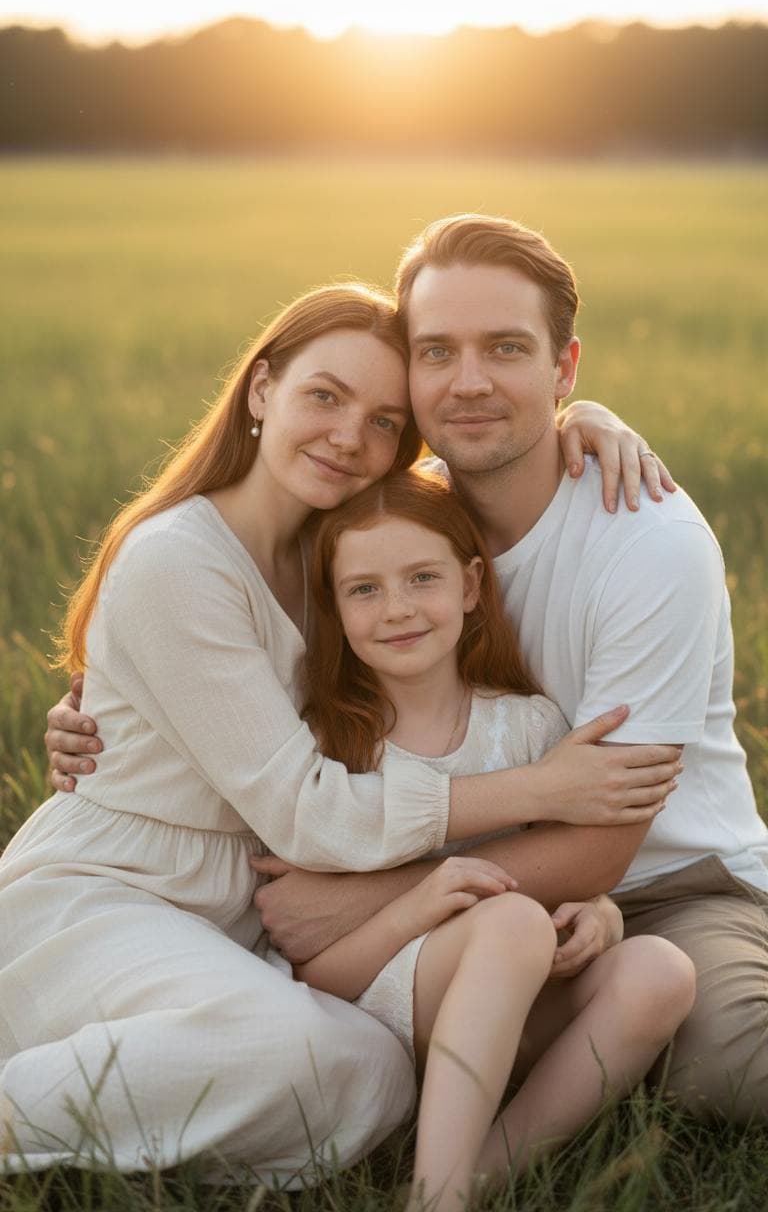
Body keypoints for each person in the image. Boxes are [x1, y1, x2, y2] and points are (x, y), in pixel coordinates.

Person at [1, 282, 681, 1180]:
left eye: (384, 422)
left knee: (367, 1071)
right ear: (260, 391)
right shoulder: (178, 558)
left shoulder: (344, 553)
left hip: (252, 916)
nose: (348, 438)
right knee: (308, 1058)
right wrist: (537, 788)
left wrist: (585, 417)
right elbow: (303, 812)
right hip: (123, 890)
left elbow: (471, 485)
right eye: (324, 396)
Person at [244, 214, 768, 1126]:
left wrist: (372, 901)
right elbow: (233, 626)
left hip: (661, 886)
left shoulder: (647, 542)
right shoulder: (394, 521)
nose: (470, 381)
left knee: (726, 1074)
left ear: (564, 371)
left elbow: (607, 839)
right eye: (436, 350)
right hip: (471, 890)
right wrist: (108, 708)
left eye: (507, 349)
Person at [295, 469, 695, 1212]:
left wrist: (600, 910)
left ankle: (480, 1177)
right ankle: (436, 1199)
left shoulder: (528, 727)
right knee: (510, 919)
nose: (399, 610)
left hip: (512, 990)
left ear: (473, 585)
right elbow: (311, 978)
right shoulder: (325, 746)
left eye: (423, 577)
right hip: (381, 1001)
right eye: (364, 589)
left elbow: (568, 874)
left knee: (662, 970)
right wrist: (419, 907)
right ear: (334, 607)